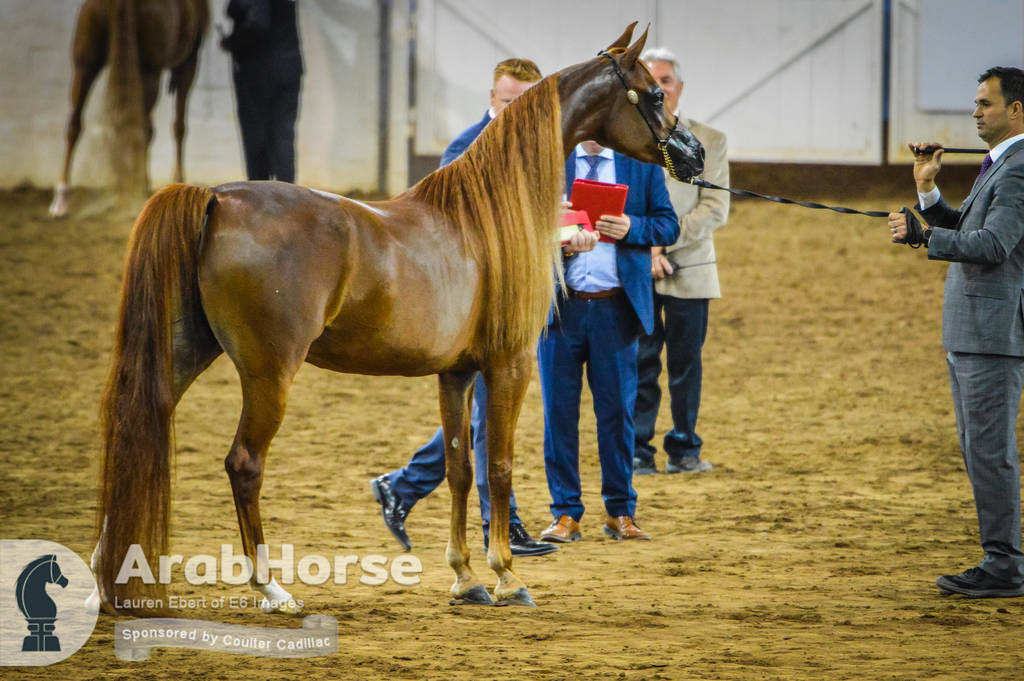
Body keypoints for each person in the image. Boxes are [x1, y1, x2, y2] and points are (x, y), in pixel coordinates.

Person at [370, 58, 562, 557]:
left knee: (482, 410)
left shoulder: (533, 154)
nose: (513, 110)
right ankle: (502, 527)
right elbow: (446, 232)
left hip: (507, 299)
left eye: (524, 102)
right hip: (469, 304)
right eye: (506, 100)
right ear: (491, 97)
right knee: (484, 414)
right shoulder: (466, 148)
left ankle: (405, 486)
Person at [888, 66, 1024, 598]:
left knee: (988, 452)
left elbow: (993, 246)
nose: (974, 111)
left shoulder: (1016, 170)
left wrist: (926, 238)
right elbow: (969, 230)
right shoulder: (1003, 165)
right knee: (979, 449)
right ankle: (1002, 559)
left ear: (1016, 109)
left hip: (993, 332)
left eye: (985, 103)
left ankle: (1006, 564)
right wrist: (927, 194)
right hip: (976, 331)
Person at [538, 140, 679, 544]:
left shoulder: (642, 163)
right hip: (560, 310)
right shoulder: (550, 162)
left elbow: (667, 223)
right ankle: (565, 513)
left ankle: (621, 511)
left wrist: (633, 227)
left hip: (616, 309)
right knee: (558, 416)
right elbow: (523, 224)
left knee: (618, 415)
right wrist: (559, 230)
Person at [633, 47, 729, 476]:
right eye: (650, 81)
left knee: (685, 364)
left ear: (679, 87)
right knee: (641, 362)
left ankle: (684, 447)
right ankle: (638, 449)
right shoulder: (629, 140)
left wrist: (661, 243)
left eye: (665, 80)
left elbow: (714, 208)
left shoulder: (710, 140)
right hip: (639, 265)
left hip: (688, 268)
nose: (659, 88)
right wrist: (647, 247)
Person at [220, 0, 303, 182]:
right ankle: (287, 196)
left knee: (256, 137)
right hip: (289, 68)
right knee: (283, 136)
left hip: (258, 73)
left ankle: (261, 196)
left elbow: (257, 24)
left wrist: (232, 42)